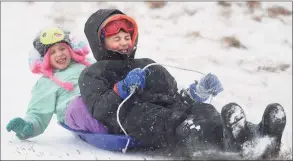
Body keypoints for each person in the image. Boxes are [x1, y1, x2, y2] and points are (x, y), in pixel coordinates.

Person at [79, 9, 286, 159]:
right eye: (117, 38)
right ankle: (220, 146)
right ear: (100, 43)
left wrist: (197, 92)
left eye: (127, 37)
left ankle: (257, 136)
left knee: (202, 110)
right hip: (133, 116)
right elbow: (98, 107)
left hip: (166, 109)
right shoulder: (93, 73)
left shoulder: (148, 65)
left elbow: (175, 98)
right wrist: (121, 88)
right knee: (178, 121)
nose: (124, 42)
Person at [6, 26, 108, 140]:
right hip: (75, 110)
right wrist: (28, 126)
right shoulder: (47, 82)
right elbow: (38, 113)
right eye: (52, 52)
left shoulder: (87, 63)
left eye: (62, 48)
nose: (59, 54)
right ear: (45, 58)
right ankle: (108, 131)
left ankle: (124, 123)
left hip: (100, 101)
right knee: (78, 106)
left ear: (70, 49)